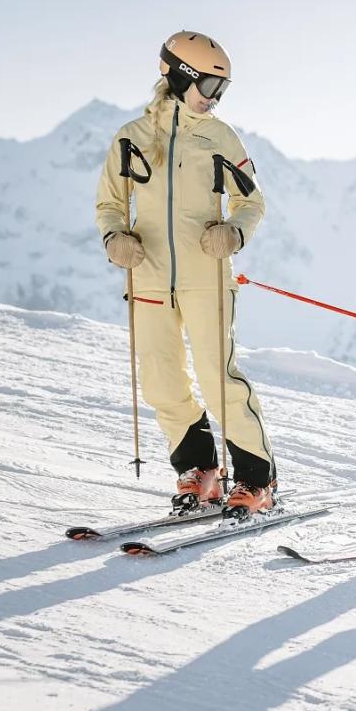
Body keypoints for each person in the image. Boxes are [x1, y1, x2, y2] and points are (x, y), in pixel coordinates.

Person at [94, 31, 276, 515]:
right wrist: (116, 238)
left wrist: (233, 233)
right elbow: (110, 203)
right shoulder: (132, 139)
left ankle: (257, 479)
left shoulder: (220, 138)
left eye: (222, 91)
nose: (215, 100)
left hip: (206, 277)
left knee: (219, 378)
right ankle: (199, 469)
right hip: (148, 276)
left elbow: (251, 201)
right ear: (180, 78)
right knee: (161, 380)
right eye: (211, 87)